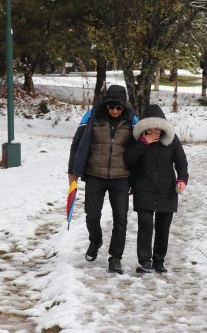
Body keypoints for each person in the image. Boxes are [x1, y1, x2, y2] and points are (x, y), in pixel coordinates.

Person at [68, 85, 138, 274]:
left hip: (121, 177)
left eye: (119, 108)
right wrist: (71, 172)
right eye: (111, 107)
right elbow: (76, 144)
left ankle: (115, 258)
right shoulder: (91, 117)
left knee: (121, 220)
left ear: (124, 106)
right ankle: (95, 240)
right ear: (106, 105)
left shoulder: (132, 120)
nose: (115, 111)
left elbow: (142, 149)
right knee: (92, 215)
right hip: (94, 175)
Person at [124, 104, 188, 274]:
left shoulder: (172, 140)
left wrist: (182, 179)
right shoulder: (138, 141)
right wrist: (143, 143)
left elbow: (181, 161)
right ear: (145, 128)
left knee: (163, 228)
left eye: (159, 128)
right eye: (152, 128)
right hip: (143, 189)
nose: (156, 131)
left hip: (167, 191)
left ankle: (159, 260)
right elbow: (129, 159)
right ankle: (145, 261)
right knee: (145, 225)